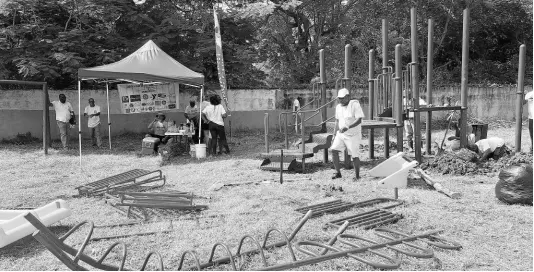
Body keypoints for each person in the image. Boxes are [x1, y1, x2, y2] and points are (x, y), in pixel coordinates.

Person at [330, 88, 365, 181]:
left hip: (353, 135)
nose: (341, 100)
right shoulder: (338, 107)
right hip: (341, 134)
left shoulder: (354, 105)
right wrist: (334, 134)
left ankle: (357, 176)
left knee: (354, 156)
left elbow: (359, 120)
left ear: (348, 97)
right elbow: (337, 121)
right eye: (339, 98)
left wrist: (348, 126)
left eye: (342, 98)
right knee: (333, 150)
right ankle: (338, 172)